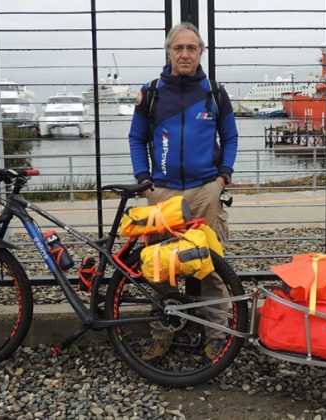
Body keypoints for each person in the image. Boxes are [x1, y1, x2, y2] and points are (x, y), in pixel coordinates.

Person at [128, 22, 238, 361]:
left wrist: (223, 179)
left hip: (205, 192)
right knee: (159, 267)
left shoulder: (214, 92)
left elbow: (231, 137)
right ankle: (163, 335)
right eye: (179, 48)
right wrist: (144, 179)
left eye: (192, 48)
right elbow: (136, 138)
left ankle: (216, 336)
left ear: (201, 53)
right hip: (163, 195)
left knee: (212, 268)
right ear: (168, 52)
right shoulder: (152, 93)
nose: (185, 54)